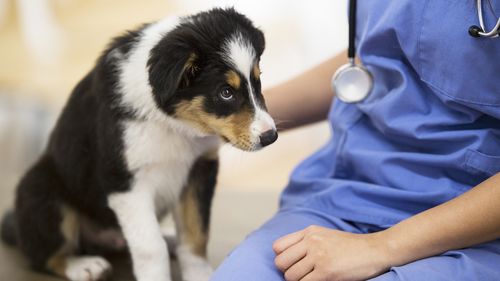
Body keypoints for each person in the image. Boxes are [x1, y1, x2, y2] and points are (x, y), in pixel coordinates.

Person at [210, 1, 500, 281]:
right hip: (347, 194)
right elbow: (376, 55)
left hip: (472, 225)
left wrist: (380, 247)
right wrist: (231, 116)